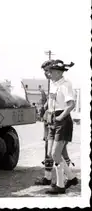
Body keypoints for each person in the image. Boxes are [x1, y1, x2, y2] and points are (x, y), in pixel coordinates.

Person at [35, 59, 78, 194]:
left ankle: (60, 186)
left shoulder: (66, 85)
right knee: (50, 154)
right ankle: (71, 178)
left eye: (51, 71)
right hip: (53, 119)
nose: (49, 74)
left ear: (59, 72)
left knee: (55, 153)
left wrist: (60, 116)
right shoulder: (54, 84)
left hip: (62, 121)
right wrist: (46, 111)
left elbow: (71, 104)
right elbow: (51, 101)